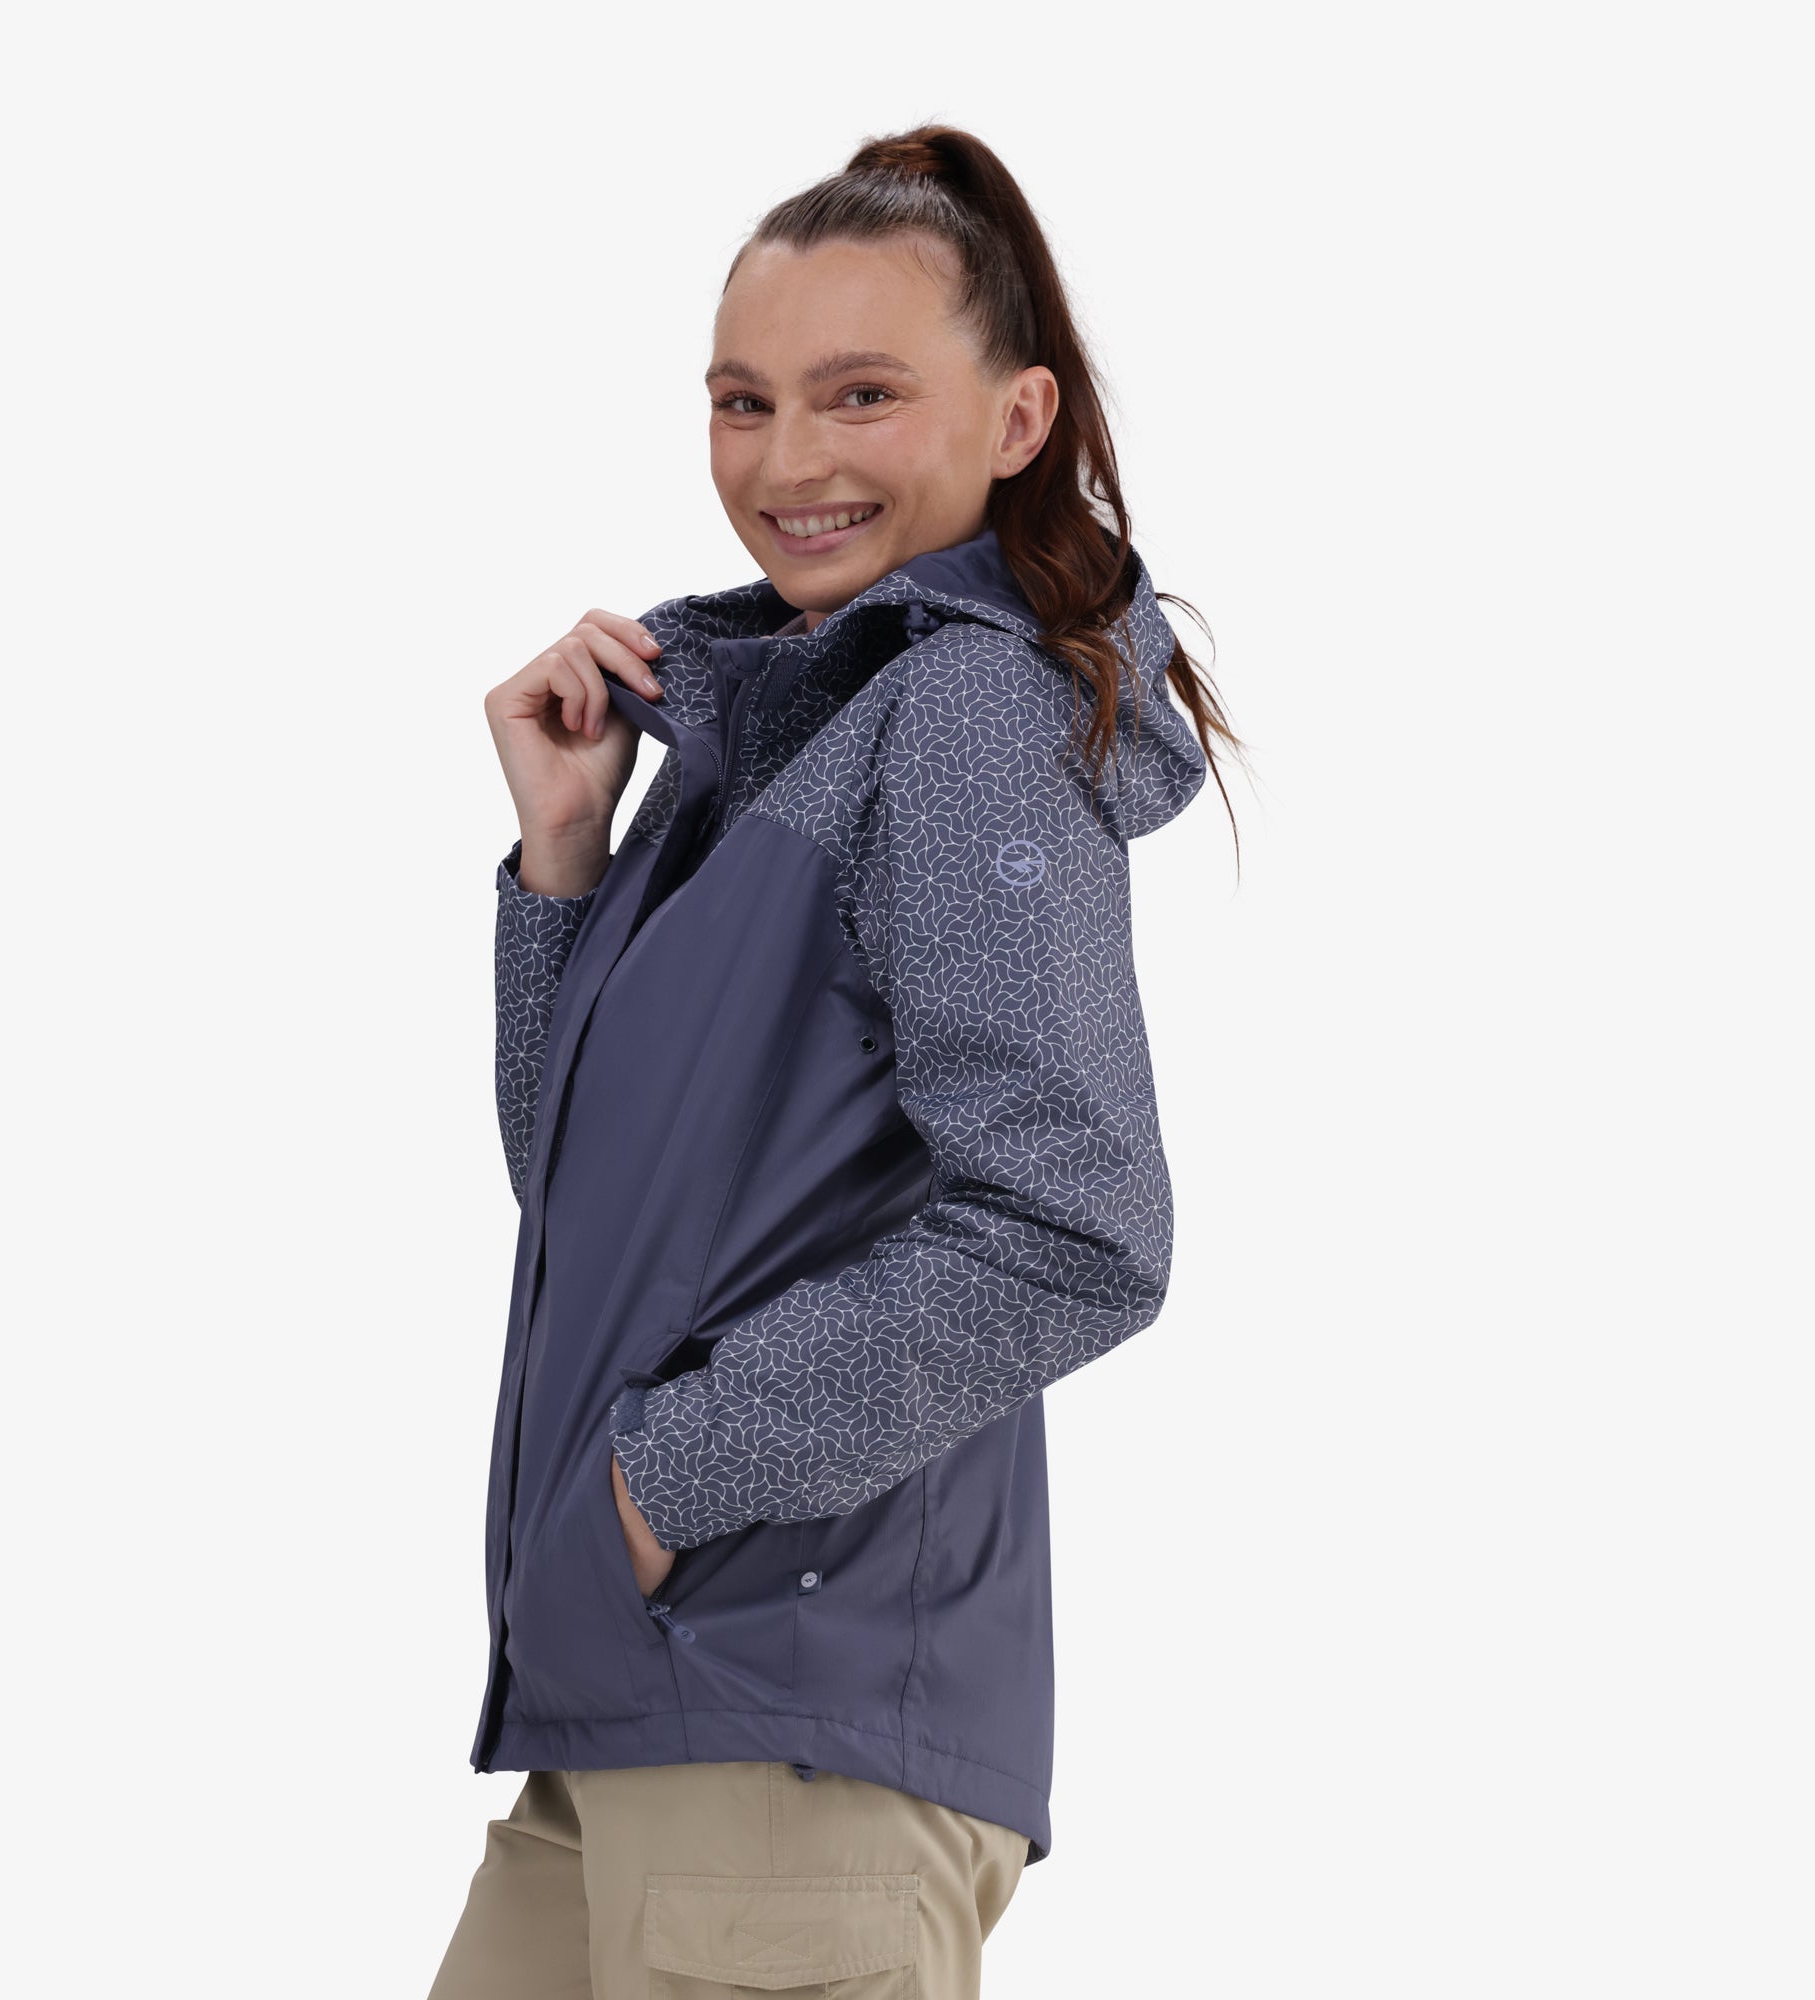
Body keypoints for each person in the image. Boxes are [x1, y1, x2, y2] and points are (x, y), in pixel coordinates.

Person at [429, 123, 1239, 2000]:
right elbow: (598, 1202)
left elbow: (1076, 1228)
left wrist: (659, 1489)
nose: (788, 462)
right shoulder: (777, 731)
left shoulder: (954, 716)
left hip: (792, 1730)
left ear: (1019, 419)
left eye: (861, 395)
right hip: (635, 1707)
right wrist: (565, 863)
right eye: (745, 401)